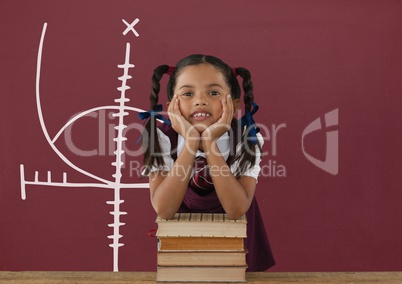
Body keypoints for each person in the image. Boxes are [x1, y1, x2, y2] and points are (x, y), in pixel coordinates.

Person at [139, 54, 275, 271]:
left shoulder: (247, 138)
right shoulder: (159, 137)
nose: (200, 100)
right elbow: (164, 208)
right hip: (182, 247)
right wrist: (192, 142)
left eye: (213, 92)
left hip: (239, 250)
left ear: (235, 104)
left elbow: (236, 208)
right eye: (187, 93)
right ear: (171, 106)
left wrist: (209, 143)